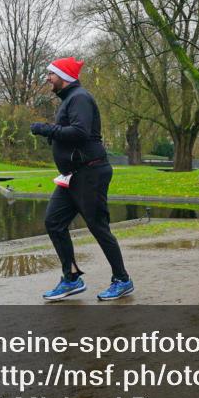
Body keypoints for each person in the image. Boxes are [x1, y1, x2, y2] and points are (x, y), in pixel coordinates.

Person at [30, 57, 133, 302]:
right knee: (54, 222)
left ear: (64, 77)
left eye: (51, 74)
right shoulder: (70, 99)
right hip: (72, 176)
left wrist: (47, 129)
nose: (47, 78)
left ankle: (122, 279)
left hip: (90, 173)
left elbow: (80, 132)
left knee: (98, 227)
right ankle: (72, 278)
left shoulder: (80, 98)